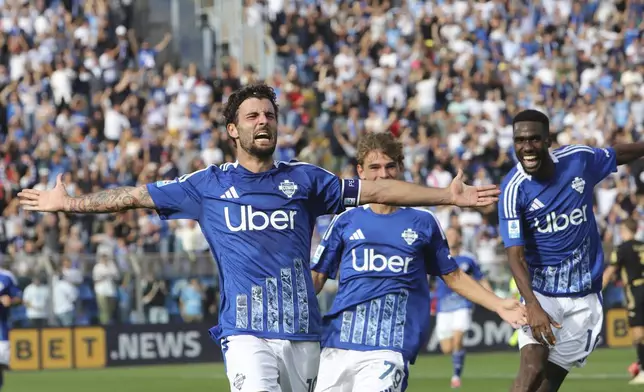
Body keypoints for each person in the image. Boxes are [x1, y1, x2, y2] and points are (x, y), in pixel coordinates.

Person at [18, 84, 500, 392]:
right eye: (252, 116)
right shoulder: (205, 186)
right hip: (245, 331)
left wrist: (447, 196)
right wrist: (71, 203)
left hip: (304, 336)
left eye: (268, 115)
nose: (263, 121)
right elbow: (133, 197)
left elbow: (376, 187)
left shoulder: (306, 180)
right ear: (233, 129)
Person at [311, 132, 525, 392]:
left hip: (388, 347)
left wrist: (499, 305)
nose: (383, 175)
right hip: (336, 342)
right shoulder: (345, 220)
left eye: (390, 166)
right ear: (360, 172)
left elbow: (453, 276)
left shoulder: (423, 222)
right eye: (374, 167)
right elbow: (317, 278)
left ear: (400, 168)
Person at [498, 108, 644, 392]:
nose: (526, 147)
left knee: (547, 385)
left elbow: (617, 155)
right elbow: (514, 255)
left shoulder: (578, 160)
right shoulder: (513, 189)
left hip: (584, 298)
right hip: (542, 293)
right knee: (531, 368)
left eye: (534, 139)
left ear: (548, 139)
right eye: (519, 140)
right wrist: (532, 303)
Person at [434, 226, 492, 389]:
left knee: (458, 339)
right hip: (443, 307)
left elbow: (481, 279)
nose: (451, 237)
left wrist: (494, 299)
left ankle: (456, 376)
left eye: (454, 234)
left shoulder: (468, 259)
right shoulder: (438, 257)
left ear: (459, 238)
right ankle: (457, 361)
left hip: (462, 305)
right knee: (447, 348)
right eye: (449, 235)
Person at [602, 218, 644, 385]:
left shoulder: (622, 248)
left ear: (624, 230)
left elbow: (610, 271)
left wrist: (597, 291)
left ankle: (642, 368)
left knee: (638, 333)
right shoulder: (642, 245)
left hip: (635, 290)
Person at [0, 267, 22, 390]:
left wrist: (11, 300)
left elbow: (18, 297)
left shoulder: (6, 276)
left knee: (1, 365)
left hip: (1, 330)